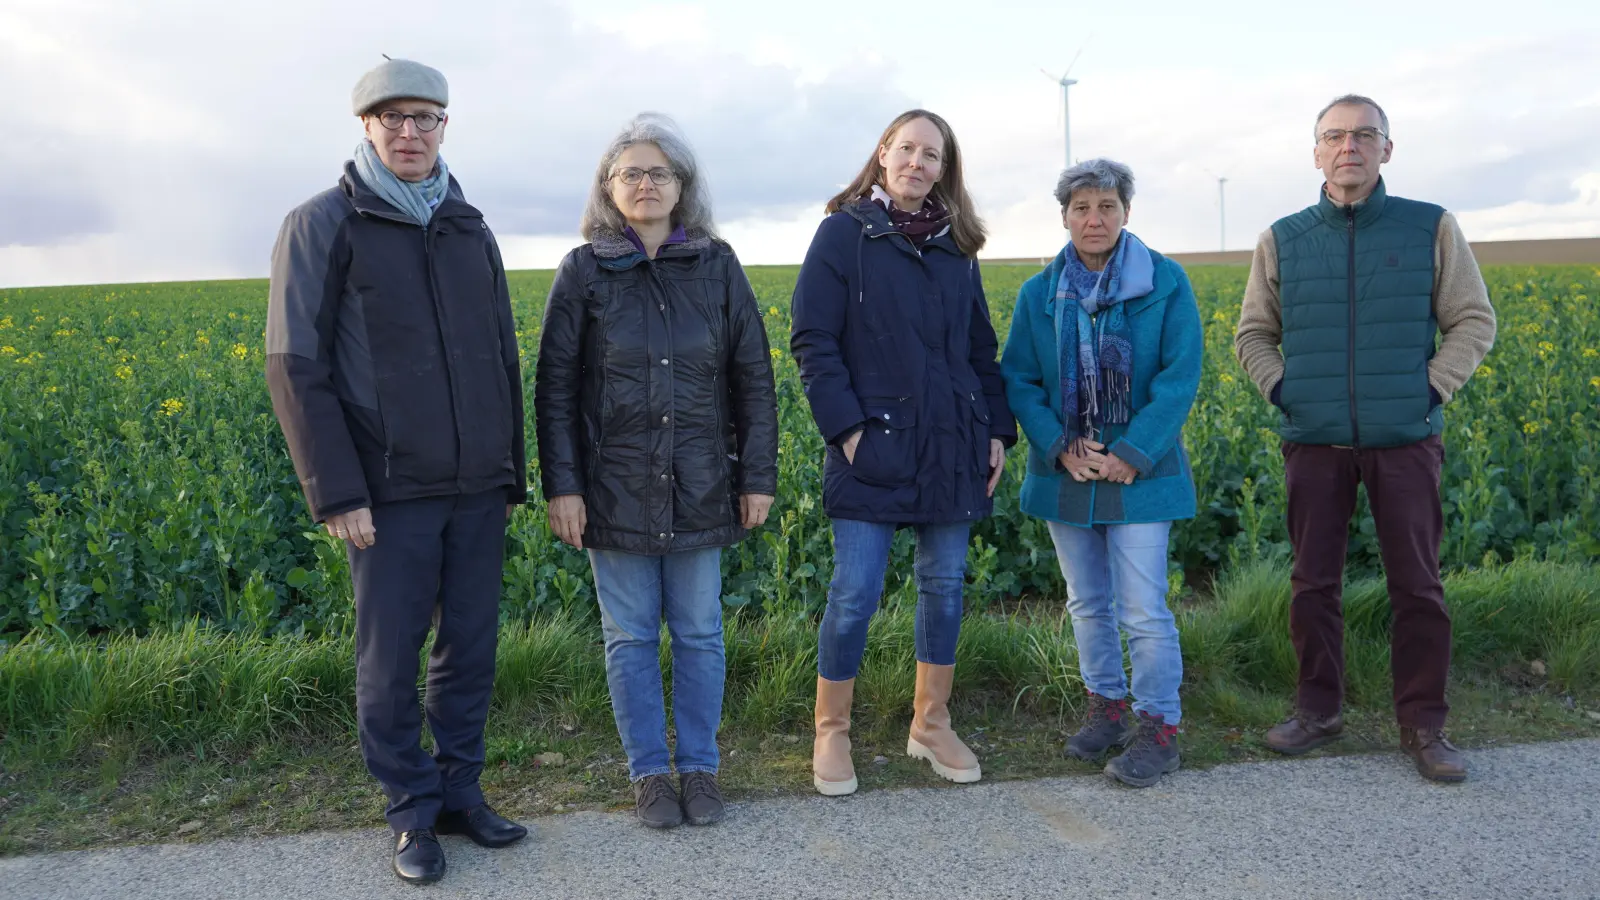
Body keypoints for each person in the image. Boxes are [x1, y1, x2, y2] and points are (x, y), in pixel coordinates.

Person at [265, 58, 528, 885]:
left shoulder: (468, 225)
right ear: (367, 127)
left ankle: (460, 791)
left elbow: (499, 355)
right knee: (389, 659)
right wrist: (336, 490)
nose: (411, 133)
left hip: (477, 484)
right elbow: (293, 365)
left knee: (471, 650)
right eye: (394, 119)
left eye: (427, 118)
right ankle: (410, 812)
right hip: (386, 490)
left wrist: (508, 468)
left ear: (445, 126)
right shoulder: (323, 224)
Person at [1235, 94, 1496, 783]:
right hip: (1314, 441)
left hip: (1405, 440)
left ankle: (1424, 726)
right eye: (1335, 136)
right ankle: (1318, 711)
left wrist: (1430, 390)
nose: (1349, 147)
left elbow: (1473, 320)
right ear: (1315, 151)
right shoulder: (1283, 237)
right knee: (1313, 582)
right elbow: (1253, 333)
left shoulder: (1429, 227)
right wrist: (1285, 391)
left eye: (1364, 136)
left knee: (1418, 585)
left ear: (1387, 148)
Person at [535, 114, 779, 829]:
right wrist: (564, 486)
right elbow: (555, 388)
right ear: (609, 189)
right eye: (630, 173)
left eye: (659, 173)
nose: (645, 184)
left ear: (682, 186)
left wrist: (756, 476)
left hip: (703, 484)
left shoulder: (718, 265)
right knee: (631, 636)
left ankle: (700, 769)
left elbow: (753, 380)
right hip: (611, 491)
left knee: (701, 632)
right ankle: (648, 773)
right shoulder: (584, 271)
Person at [790, 109, 1016, 797]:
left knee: (945, 587)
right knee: (855, 592)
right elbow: (812, 341)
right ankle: (832, 732)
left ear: (945, 169)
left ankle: (930, 723)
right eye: (907, 149)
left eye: (932, 155)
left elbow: (980, 349)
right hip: (874, 444)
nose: (918, 163)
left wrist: (997, 431)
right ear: (884, 154)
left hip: (953, 445)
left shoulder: (958, 245)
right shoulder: (844, 235)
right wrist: (848, 432)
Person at [1000, 159, 1203, 788]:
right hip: (1067, 472)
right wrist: (1058, 445)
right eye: (1081, 207)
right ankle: (1108, 708)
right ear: (1064, 216)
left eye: (1107, 206)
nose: (1094, 219)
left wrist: (1132, 451)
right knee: (1087, 604)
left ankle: (1159, 727)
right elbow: (1020, 379)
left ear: (1126, 213)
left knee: (1143, 609)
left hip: (1142, 474)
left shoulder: (1164, 283)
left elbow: (1178, 377)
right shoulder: (1040, 293)